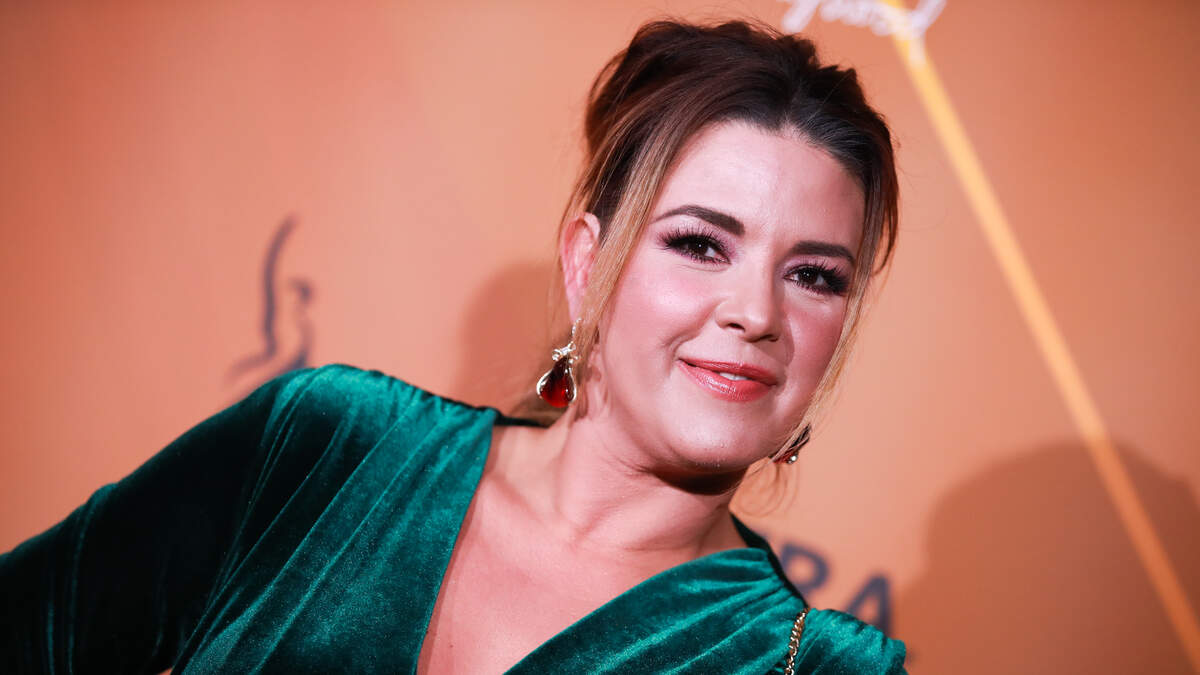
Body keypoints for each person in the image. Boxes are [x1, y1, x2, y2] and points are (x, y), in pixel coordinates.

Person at [1, 18, 905, 674]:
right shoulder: (329, 450)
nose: (756, 312)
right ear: (588, 264)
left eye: (813, 275)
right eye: (701, 244)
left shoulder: (813, 666)